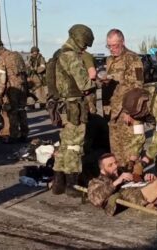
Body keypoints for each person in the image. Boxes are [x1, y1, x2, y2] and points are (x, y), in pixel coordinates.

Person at [51, 24, 96, 197]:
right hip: (74, 106)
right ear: (79, 39)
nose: (85, 47)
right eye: (85, 43)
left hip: (64, 105)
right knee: (74, 145)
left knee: (64, 144)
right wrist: (98, 81)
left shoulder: (59, 54)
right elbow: (84, 84)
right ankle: (71, 183)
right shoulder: (71, 57)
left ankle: (58, 181)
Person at [105, 29, 144, 167]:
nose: (111, 49)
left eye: (114, 46)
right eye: (109, 46)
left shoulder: (133, 59)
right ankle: (121, 177)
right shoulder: (110, 60)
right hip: (112, 111)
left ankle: (135, 178)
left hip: (126, 110)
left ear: (123, 42)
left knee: (131, 148)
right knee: (116, 149)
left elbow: (138, 86)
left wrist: (130, 111)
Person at [0, 39, 29, 143]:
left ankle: (14, 136)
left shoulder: (1, 59)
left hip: (12, 89)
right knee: (21, 110)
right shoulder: (16, 55)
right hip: (22, 86)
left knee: (12, 112)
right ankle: (24, 134)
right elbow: (24, 72)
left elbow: (2, 78)